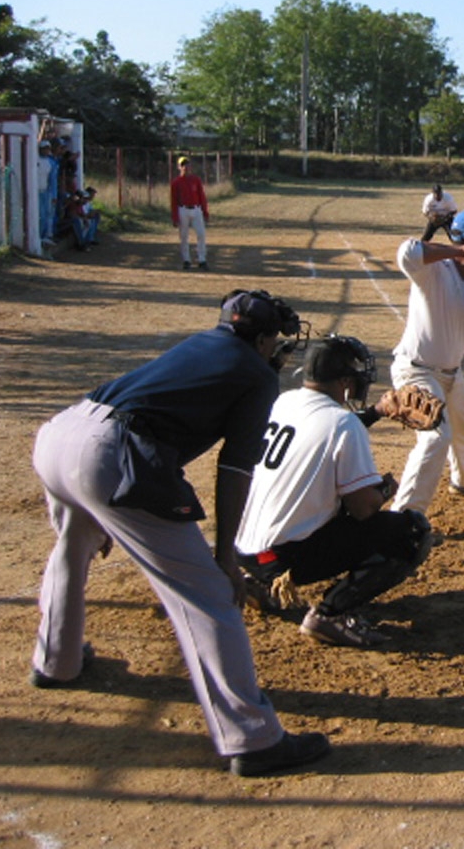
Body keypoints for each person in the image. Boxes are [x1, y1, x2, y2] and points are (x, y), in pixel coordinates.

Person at [28, 289, 331, 777]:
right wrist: (225, 557)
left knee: (72, 546)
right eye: (275, 338)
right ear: (261, 339)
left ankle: (56, 661)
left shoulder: (202, 342)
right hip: (110, 454)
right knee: (207, 594)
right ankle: (252, 739)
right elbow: (235, 469)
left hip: (62, 433)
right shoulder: (256, 374)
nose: (278, 348)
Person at [235, 334, 434, 648]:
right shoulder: (343, 425)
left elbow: (325, 428)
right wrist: (385, 489)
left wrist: (377, 412)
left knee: (328, 494)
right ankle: (331, 615)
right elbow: (363, 508)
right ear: (345, 382)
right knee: (411, 531)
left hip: (243, 552)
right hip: (284, 560)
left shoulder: (284, 402)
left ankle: (258, 583)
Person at [390, 207, 464, 515]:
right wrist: (460, 250)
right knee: (435, 438)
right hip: (415, 371)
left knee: (461, 427)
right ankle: (404, 516)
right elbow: (407, 252)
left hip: (451, 374)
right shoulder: (433, 270)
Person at [171, 156, 209, 270]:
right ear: (179, 167)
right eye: (183, 165)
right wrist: (175, 217)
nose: (185, 167)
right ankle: (186, 260)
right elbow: (174, 201)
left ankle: (202, 259)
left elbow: (201, 196)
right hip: (183, 209)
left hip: (196, 209)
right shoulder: (176, 183)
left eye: (187, 164)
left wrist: (205, 211)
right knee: (184, 236)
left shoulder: (196, 180)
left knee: (201, 234)